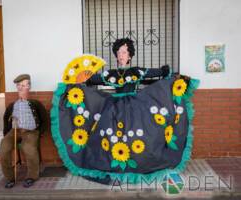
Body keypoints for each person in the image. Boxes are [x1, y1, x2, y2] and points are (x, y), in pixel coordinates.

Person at [51, 38, 199, 184]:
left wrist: (169, 74)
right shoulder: (110, 74)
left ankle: (137, 162)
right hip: (113, 108)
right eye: (119, 52)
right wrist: (75, 83)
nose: (121, 55)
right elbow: (92, 80)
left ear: (130, 55)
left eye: (124, 52)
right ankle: (115, 162)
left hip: (136, 107)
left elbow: (156, 74)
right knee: (112, 136)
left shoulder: (136, 71)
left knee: (138, 134)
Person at [0, 74, 48, 188]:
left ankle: (32, 176)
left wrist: (39, 132)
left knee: (29, 148)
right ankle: (10, 178)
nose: (23, 88)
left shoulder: (35, 104)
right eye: (20, 85)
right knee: (4, 148)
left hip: (31, 131)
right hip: (14, 131)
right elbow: (6, 119)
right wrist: (7, 134)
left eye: (25, 85)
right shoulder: (12, 105)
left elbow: (44, 119)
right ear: (17, 87)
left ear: (29, 87)